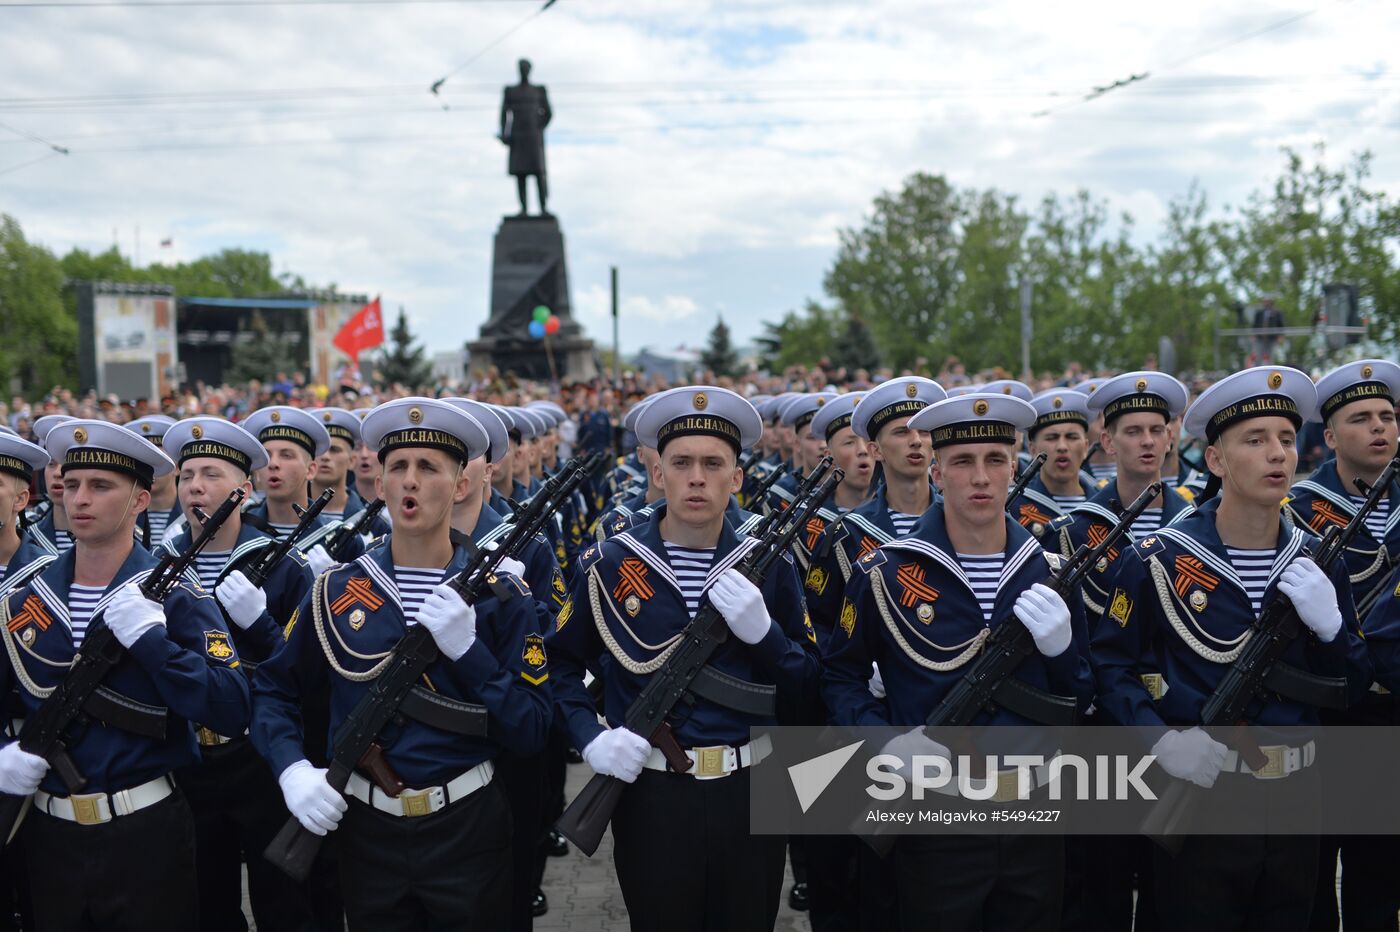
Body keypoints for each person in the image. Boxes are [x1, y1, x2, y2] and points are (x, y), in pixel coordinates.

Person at [251, 397, 552, 931]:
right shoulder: (335, 590)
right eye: (398, 468)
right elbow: (273, 690)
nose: (410, 481)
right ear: (381, 483)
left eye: (428, 467)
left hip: (469, 829)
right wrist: (292, 769)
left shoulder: (501, 597)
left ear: (462, 485)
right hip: (367, 833)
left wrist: (471, 654)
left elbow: (531, 730)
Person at [1093, 366, 1372, 932]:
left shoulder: (1319, 559)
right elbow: (1111, 667)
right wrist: (1161, 740)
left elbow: (1357, 684)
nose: (1278, 454)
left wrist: (1332, 629)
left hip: (1297, 797)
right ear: (1216, 460)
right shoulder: (1156, 560)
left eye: (1287, 440)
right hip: (1202, 793)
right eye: (1256, 440)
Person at [547, 386, 820, 931]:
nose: (698, 477)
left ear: (737, 479)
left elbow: (811, 682)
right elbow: (556, 669)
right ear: (658, 473)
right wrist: (592, 737)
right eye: (682, 463)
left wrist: (764, 634)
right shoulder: (609, 563)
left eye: (714, 463)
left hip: (751, 791)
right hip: (652, 795)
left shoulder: (768, 561)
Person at [822, 392, 1092, 931]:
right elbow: (839, 679)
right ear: (938, 473)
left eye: (995, 460)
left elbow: (1083, 697)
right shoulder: (886, 573)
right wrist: (887, 742)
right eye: (963, 463)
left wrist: (1064, 652)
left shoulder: (1051, 570)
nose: (981, 478)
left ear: (1014, 472)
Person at [0, 419, 250, 928]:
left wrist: (155, 647)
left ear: (139, 500)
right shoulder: (24, 599)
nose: (79, 499)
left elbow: (231, 705)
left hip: (145, 836)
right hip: (50, 838)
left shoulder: (175, 595)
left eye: (100, 486)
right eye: (71, 485)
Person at [158, 416, 321, 932]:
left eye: (211, 474)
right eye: (187, 475)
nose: (195, 487)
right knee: (205, 902)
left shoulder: (282, 566)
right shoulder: (156, 568)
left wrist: (265, 625)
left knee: (284, 901)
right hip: (186, 757)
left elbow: (309, 676)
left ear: (244, 491)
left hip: (261, 756)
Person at [1280, 359, 1400, 932]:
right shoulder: (1295, 510)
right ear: (1329, 437)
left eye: (1387, 416)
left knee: (1381, 876)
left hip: (1393, 714)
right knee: (1312, 881)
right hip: (1327, 717)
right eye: (1361, 419)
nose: (1380, 428)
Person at [1047, 372, 1194, 627]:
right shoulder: (1073, 532)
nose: (1147, 441)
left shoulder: (1195, 526)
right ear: (1108, 442)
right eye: (1133, 432)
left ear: (1169, 439)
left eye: (1156, 430)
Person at [124, 415, 180, 549]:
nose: (148, 471)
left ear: (177, 467)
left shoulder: (192, 515)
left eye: (158, 462)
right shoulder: (122, 516)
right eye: (142, 463)